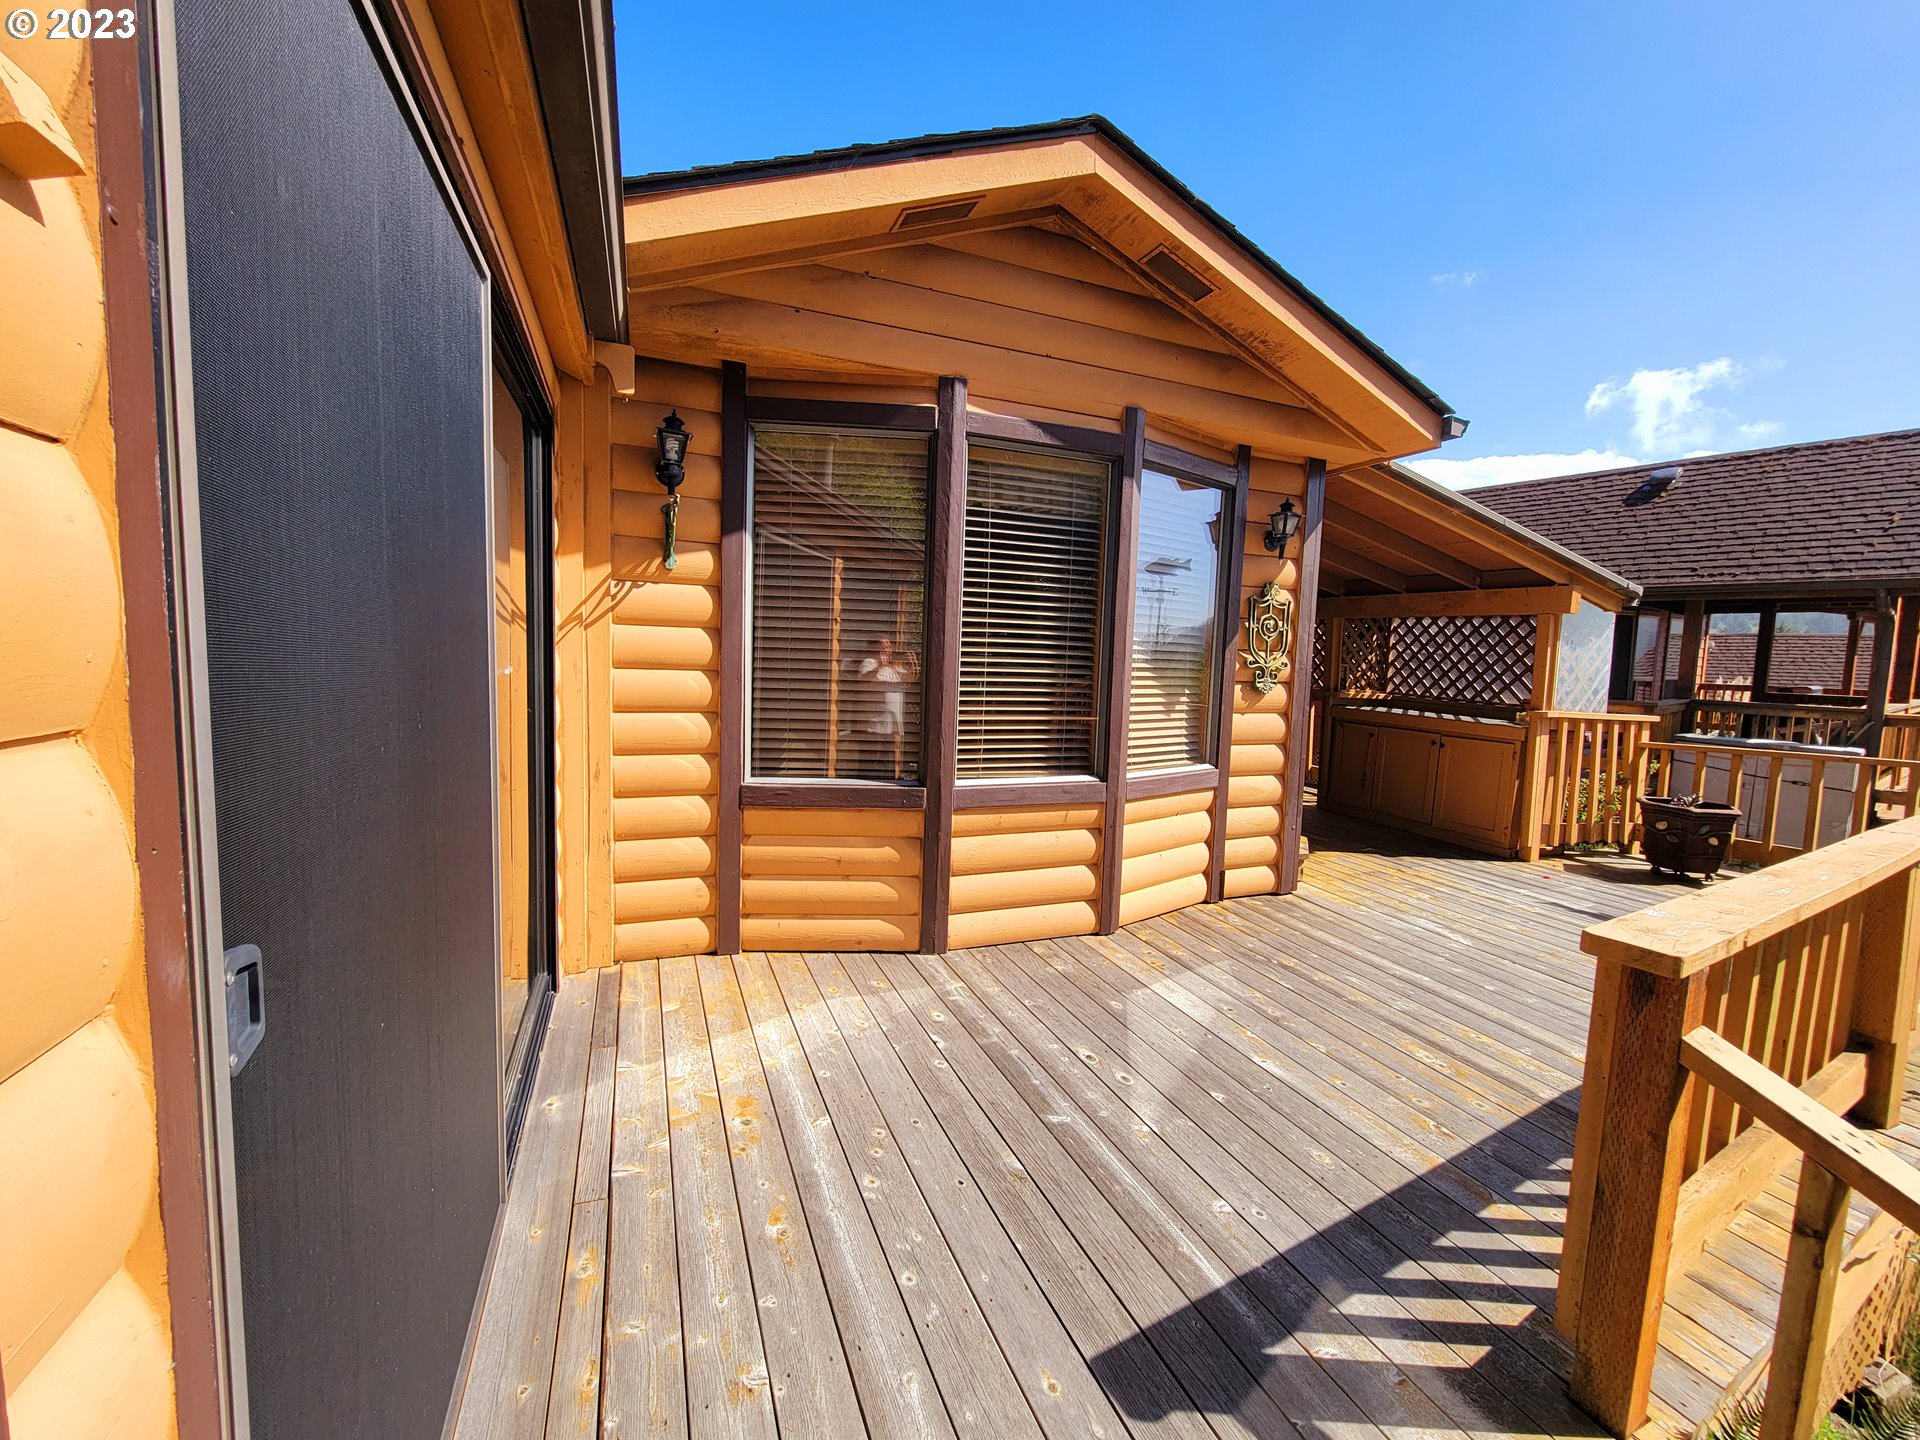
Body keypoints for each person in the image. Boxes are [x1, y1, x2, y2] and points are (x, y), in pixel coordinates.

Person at [855, 635, 917, 779]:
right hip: (875, 725)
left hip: (891, 724)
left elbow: (910, 678)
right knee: (870, 764)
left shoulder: (893, 667)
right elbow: (863, 681)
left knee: (887, 764)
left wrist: (912, 662)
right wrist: (880, 666)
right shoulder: (869, 662)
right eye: (883, 646)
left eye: (889, 646)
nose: (887, 650)